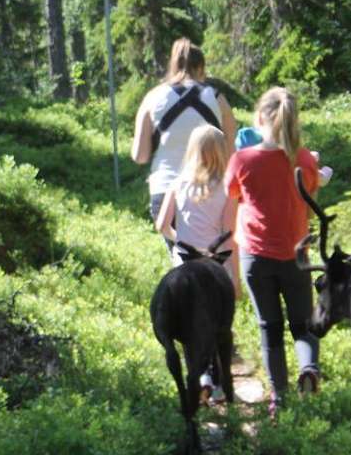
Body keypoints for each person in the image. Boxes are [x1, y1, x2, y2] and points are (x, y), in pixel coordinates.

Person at [224, 86, 322, 418]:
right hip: (295, 255)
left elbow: (233, 192)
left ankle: (278, 399)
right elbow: (309, 191)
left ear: (261, 118)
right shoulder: (305, 160)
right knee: (303, 326)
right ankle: (309, 368)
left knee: (270, 327)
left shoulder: (242, 160)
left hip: (255, 256)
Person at [155, 124, 240, 402]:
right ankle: (217, 384)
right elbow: (229, 237)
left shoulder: (178, 183)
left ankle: (199, 378)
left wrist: (181, 240)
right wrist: (235, 278)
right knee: (219, 326)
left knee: (191, 327)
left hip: (184, 263)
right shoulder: (228, 189)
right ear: (221, 152)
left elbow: (161, 225)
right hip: (215, 266)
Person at [131, 38, 237, 240]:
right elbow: (231, 153)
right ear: (200, 67)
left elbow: (140, 156)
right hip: (210, 193)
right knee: (213, 262)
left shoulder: (152, 98)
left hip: (164, 189)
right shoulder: (217, 98)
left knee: (181, 261)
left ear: (174, 65)